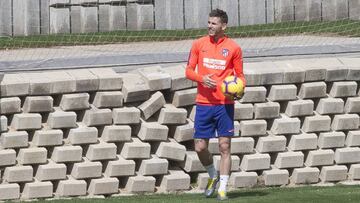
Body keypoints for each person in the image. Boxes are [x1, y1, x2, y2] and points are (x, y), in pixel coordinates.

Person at [185, 9, 246, 200]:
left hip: (224, 104)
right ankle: (213, 175)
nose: (210, 26)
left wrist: (239, 88)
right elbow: (188, 71)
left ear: (223, 26)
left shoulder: (234, 48)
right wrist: (202, 79)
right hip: (204, 103)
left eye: (214, 23)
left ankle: (223, 188)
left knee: (224, 146)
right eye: (209, 22)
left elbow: (240, 76)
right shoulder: (198, 44)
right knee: (200, 147)